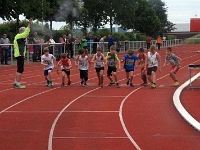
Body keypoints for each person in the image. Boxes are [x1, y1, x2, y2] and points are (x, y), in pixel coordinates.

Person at [13, 19, 32, 88]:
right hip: (19, 55)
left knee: (19, 69)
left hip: (20, 54)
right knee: (20, 69)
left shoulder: (19, 37)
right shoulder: (19, 36)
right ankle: (17, 83)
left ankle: (16, 82)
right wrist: (29, 24)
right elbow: (26, 33)